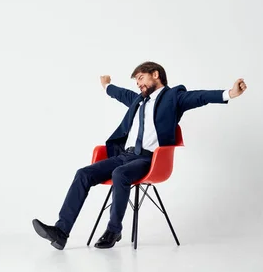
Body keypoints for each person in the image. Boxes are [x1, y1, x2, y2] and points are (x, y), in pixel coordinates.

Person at [32, 61, 247, 250]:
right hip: (124, 156)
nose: (138, 84)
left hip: (149, 159)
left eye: (141, 78)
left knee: (120, 174)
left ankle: (113, 230)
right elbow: (120, 93)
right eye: (136, 81)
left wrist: (229, 93)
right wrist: (106, 85)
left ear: (156, 74)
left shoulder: (173, 97)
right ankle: (61, 233)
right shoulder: (137, 100)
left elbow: (199, 96)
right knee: (83, 174)